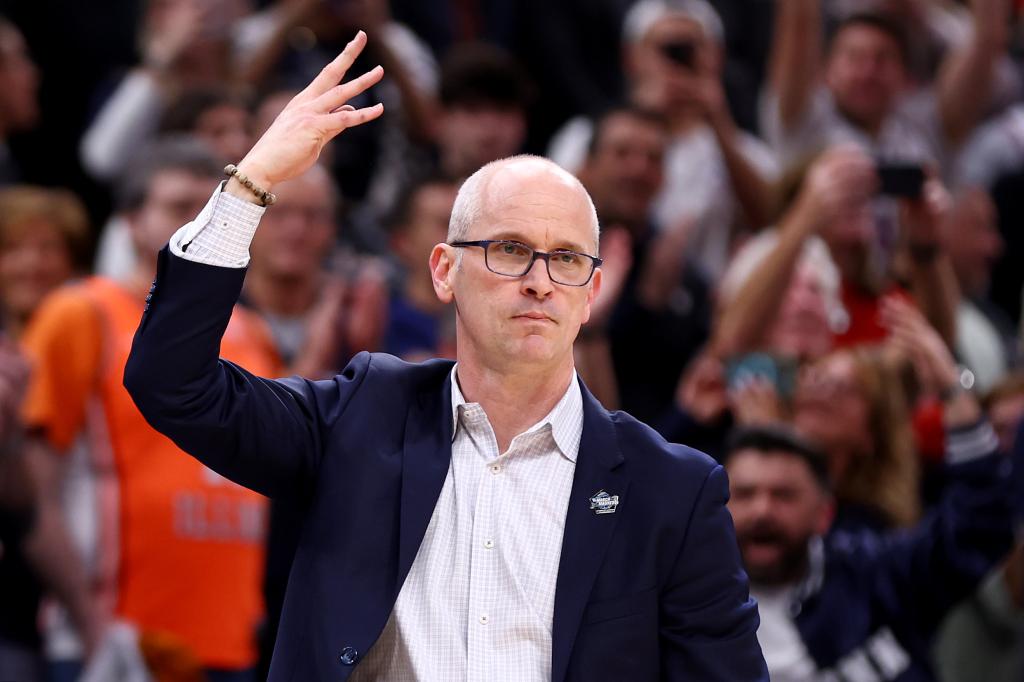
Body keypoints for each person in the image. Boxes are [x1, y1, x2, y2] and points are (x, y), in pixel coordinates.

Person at [124, 32, 768, 681]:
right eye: (510, 250)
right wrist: (251, 183)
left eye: (567, 259)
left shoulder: (671, 491)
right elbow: (172, 383)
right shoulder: (361, 420)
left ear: (592, 294)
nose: (540, 281)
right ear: (443, 272)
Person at [21, 137, 277, 680]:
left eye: (209, 206)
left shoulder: (253, 331)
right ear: (131, 222)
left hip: (231, 644)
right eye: (178, 207)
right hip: (117, 641)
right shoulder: (80, 312)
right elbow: (31, 491)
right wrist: (89, 623)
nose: (199, 222)